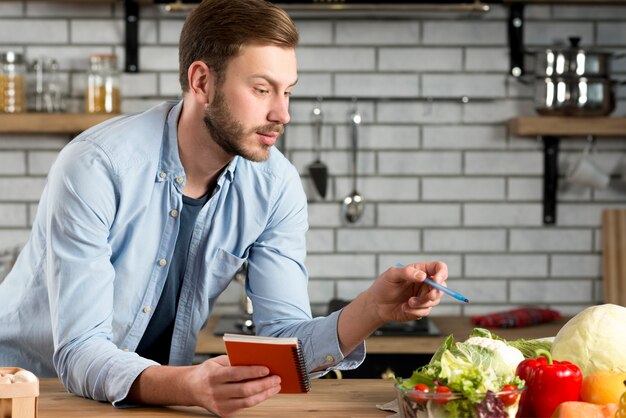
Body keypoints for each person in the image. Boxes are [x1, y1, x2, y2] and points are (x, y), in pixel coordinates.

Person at [0, 0, 448, 416]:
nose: (282, 113)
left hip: (153, 399)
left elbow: (282, 344)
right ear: (202, 82)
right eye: (261, 89)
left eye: (287, 91)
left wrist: (372, 309)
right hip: (34, 394)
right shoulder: (97, 167)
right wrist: (190, 387)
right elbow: (80, 350)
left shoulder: (276, 185)